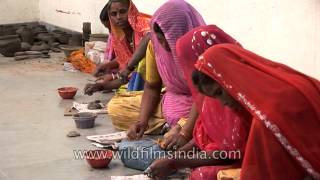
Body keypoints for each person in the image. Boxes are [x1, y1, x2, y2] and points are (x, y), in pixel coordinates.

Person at [149, 44, 320, 180]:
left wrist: (175, 162)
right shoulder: (268, 87)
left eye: (219, 93)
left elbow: (259, 165)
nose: (223, 103)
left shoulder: (267, 117)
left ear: (232, 78)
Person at [126, 0, 206, 140]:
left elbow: (205, 95)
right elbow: (152, 87)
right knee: (117, 108)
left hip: (201, 104)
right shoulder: (154, 46)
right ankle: (170, 125)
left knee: (210, 118)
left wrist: (184, 131)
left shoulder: (201, 48)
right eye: (160, 40)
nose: (164, 45)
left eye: (169, 39)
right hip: (171, 101)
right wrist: (142, 122)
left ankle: (181, 127)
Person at [160, 25, 242, 151]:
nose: (194, 68)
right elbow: (206, 127)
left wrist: (175, 161)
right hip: (176, 111)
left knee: (204, 171)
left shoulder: (237, 92)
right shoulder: (213, 91)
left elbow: (233, 150)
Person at [84, 0, 151, 94]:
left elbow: (149, 36)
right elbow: (127, 73)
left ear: (131, 10)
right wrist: (101, 86)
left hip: (161, 78)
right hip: (143, 78)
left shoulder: (143, 23)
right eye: (113, 14)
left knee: (144, 59)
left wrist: (128, 68)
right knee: (115, 105)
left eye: (123, 11)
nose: (118, 17)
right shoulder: (118, 35)